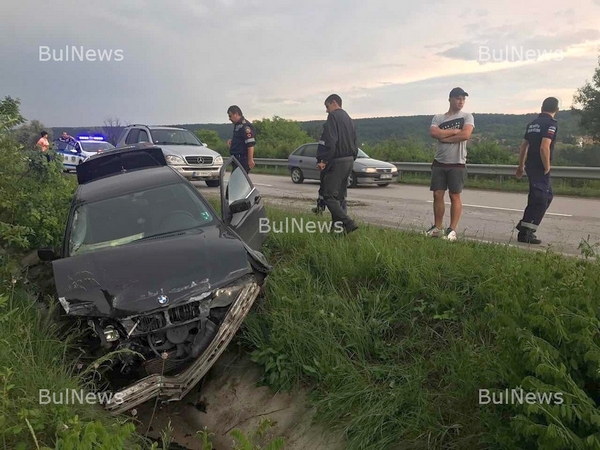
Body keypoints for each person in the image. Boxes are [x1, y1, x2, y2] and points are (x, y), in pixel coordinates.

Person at [426, 87, 475, 241]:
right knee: (437, 194)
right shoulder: (439, 117)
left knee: (454, 195)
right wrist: (454, 132)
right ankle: (437, 228)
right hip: (440, 162)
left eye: (463, 99)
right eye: (458, 98)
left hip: (457, 162)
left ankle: (452, 230)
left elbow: (465, 134)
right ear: (450, 99)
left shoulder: (467, 116)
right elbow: (434, 133)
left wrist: (445, 137)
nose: (461, 102)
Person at [514, 97, 559, 244]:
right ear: (556, 110)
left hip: (530, 165)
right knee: (541, 198)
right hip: (540, 167)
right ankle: (526, 232)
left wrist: (521, 166)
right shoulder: (551, 124)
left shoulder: (532, 124)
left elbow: (523, 146)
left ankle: (525, 225)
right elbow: (544, 146)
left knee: (543, 196)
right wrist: (547, 166)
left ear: (541, 108)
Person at [316, 94, 358, 234]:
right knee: (339, 198)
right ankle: (337, 231)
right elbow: (354, 142)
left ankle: (348, 222)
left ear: (334, 103)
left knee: (329, 196)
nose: (327, 110)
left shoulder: (333, 117)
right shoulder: (349, 119)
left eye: (327, 106)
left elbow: (331, 141)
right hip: (349, 161)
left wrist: (324, 161)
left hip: (337, 161)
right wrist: (352, 158)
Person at [227, 105, 256, 172]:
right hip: (236, 159)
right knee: (236, 181)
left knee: (237, 181)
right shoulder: (237, 125)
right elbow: (241, 139)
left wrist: (250, 159)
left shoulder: (245, 126)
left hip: (242, 159)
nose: (229, 118)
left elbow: (250, 144)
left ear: (236, 114)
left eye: (230, 116)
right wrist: (233, 142)